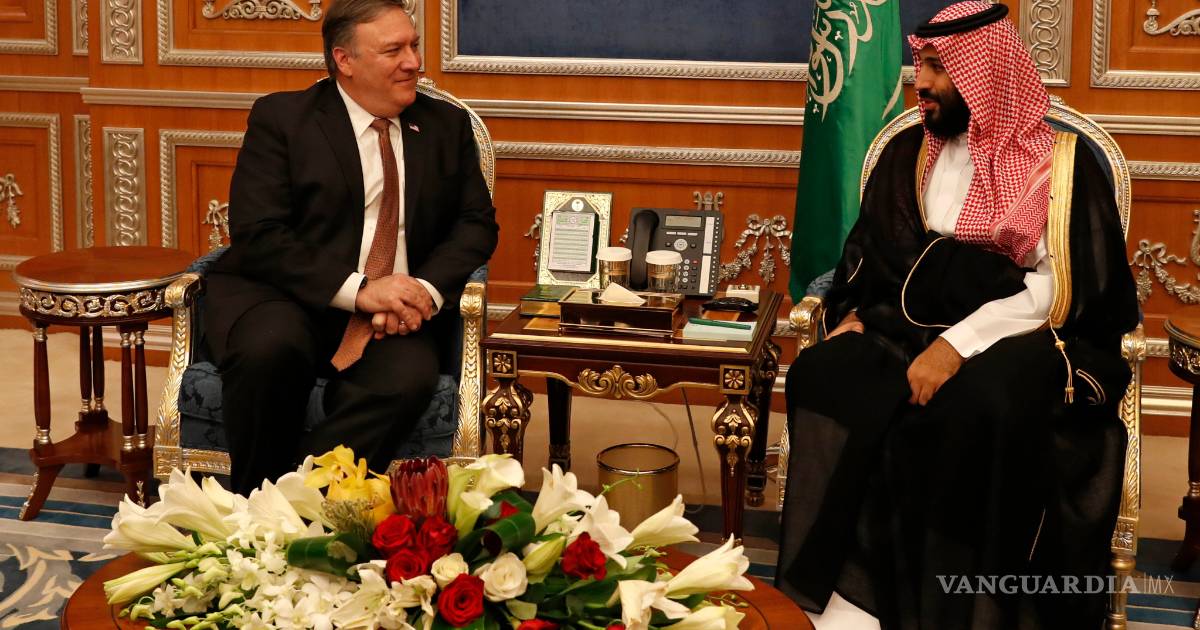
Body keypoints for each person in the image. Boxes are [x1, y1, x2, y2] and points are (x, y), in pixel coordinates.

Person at [775, 2, 1139, 628]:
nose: (920, 81)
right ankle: (850, 593)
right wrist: (849, 312)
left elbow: (1057, 289)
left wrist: (957, 346)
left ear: (984, 74)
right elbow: (870, 252)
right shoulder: (908, 152)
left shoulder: (1059, 165)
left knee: (975, 406)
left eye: (937, 67)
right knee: (824, 373)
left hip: (1022, 333)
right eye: (920, 63)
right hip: (903, 324)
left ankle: (963, 606)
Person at [204, 0, 498, 495]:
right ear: (345, 60)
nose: (414, 62)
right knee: (270, 350)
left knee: (407, 379)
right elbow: (259, 232)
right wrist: (360, 291)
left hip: (394, 315)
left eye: (414, 46)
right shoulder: (284, 119)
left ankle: (298, 501)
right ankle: (255, 502)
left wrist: (422, 292)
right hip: (287, 296)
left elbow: (476, 225)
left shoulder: (445, 126)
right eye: (393, 50)